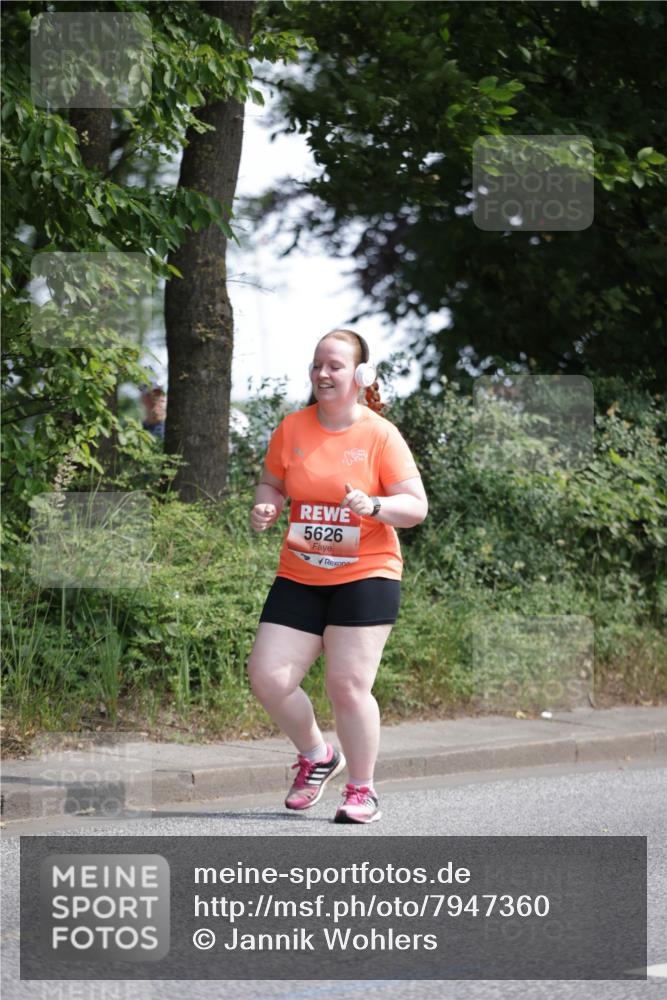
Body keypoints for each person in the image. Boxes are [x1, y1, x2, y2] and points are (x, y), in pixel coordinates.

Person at [248, 329, 428, 823]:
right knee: (268, 676)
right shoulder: (292, 428)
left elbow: (416, 507)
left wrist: (373, 504)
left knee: (347, 684)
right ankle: (317, 755)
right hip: (301, 573)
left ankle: (362, 789)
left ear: (360, 375)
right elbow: (272, 481)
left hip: (367, 574)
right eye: (316, 365)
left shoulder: (379, 434)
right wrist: (267, 504)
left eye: (335, 366)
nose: (323, 374)